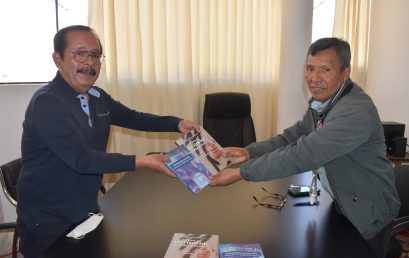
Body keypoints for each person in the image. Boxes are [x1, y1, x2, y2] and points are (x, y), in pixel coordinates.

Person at [17, 25, 199, 258]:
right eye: (80, 53)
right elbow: (82, 159)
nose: (90, 62)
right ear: (58, 59)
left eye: (95, 55)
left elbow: (133, 117)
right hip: (48, 219)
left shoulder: (97, 97)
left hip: (85, 209)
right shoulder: (47, 102)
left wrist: (177, 123)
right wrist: (142, 161)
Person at [210, 37, 401, 258]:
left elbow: (303, 154)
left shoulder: (355, 111)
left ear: (345, 72)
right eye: (310, 68)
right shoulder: (323, 103)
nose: (314, 78)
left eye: (325, 70)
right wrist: (248, 152)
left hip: (368, 212)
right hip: (343, 201)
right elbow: (291, 137)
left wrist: (241, 172)